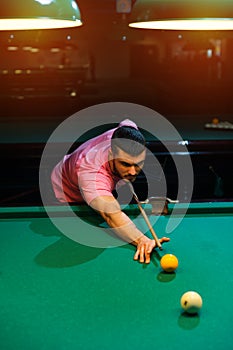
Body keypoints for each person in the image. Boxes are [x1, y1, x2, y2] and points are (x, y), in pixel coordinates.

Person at [51, 119, 170, 263]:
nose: (133, 172)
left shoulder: (126, 132)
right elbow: (111, 216)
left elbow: (127, 121)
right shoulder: (91, 173)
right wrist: (142, 240)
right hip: (66, 190)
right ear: (112, 153)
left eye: (138, 164)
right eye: (125, 164)